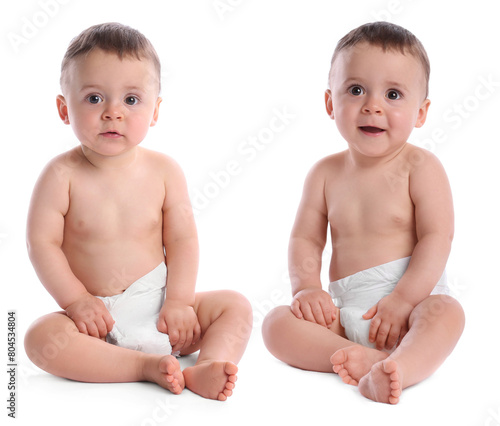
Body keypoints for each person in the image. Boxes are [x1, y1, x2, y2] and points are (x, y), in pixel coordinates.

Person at [24, 22, 252, 401]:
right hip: (98, 320)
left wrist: (179, 301)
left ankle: (210, 365)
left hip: (163, 308)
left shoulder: (164, 171)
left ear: (155, 110)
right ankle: (141, 367)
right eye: (95, 99)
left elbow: (181, 240)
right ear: (65, 109)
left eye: (131, 100)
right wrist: (77, 301)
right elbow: (41, 243)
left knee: (235, 305)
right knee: (38, 339)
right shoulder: (59, 175)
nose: (113, 113)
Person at [262, 22, 465, 404]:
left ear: (420, 113)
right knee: (275, 325)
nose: (373, 105)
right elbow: (305, 238)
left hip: (411, 307)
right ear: (330, 103)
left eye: (393, 94)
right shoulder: (324, 173)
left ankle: (403, 366)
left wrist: (404, 300)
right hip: (348, 312)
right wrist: (307, 288)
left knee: (448, 313)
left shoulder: (421, 167)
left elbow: (438, 238)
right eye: (356, 90)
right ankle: (357, 357)